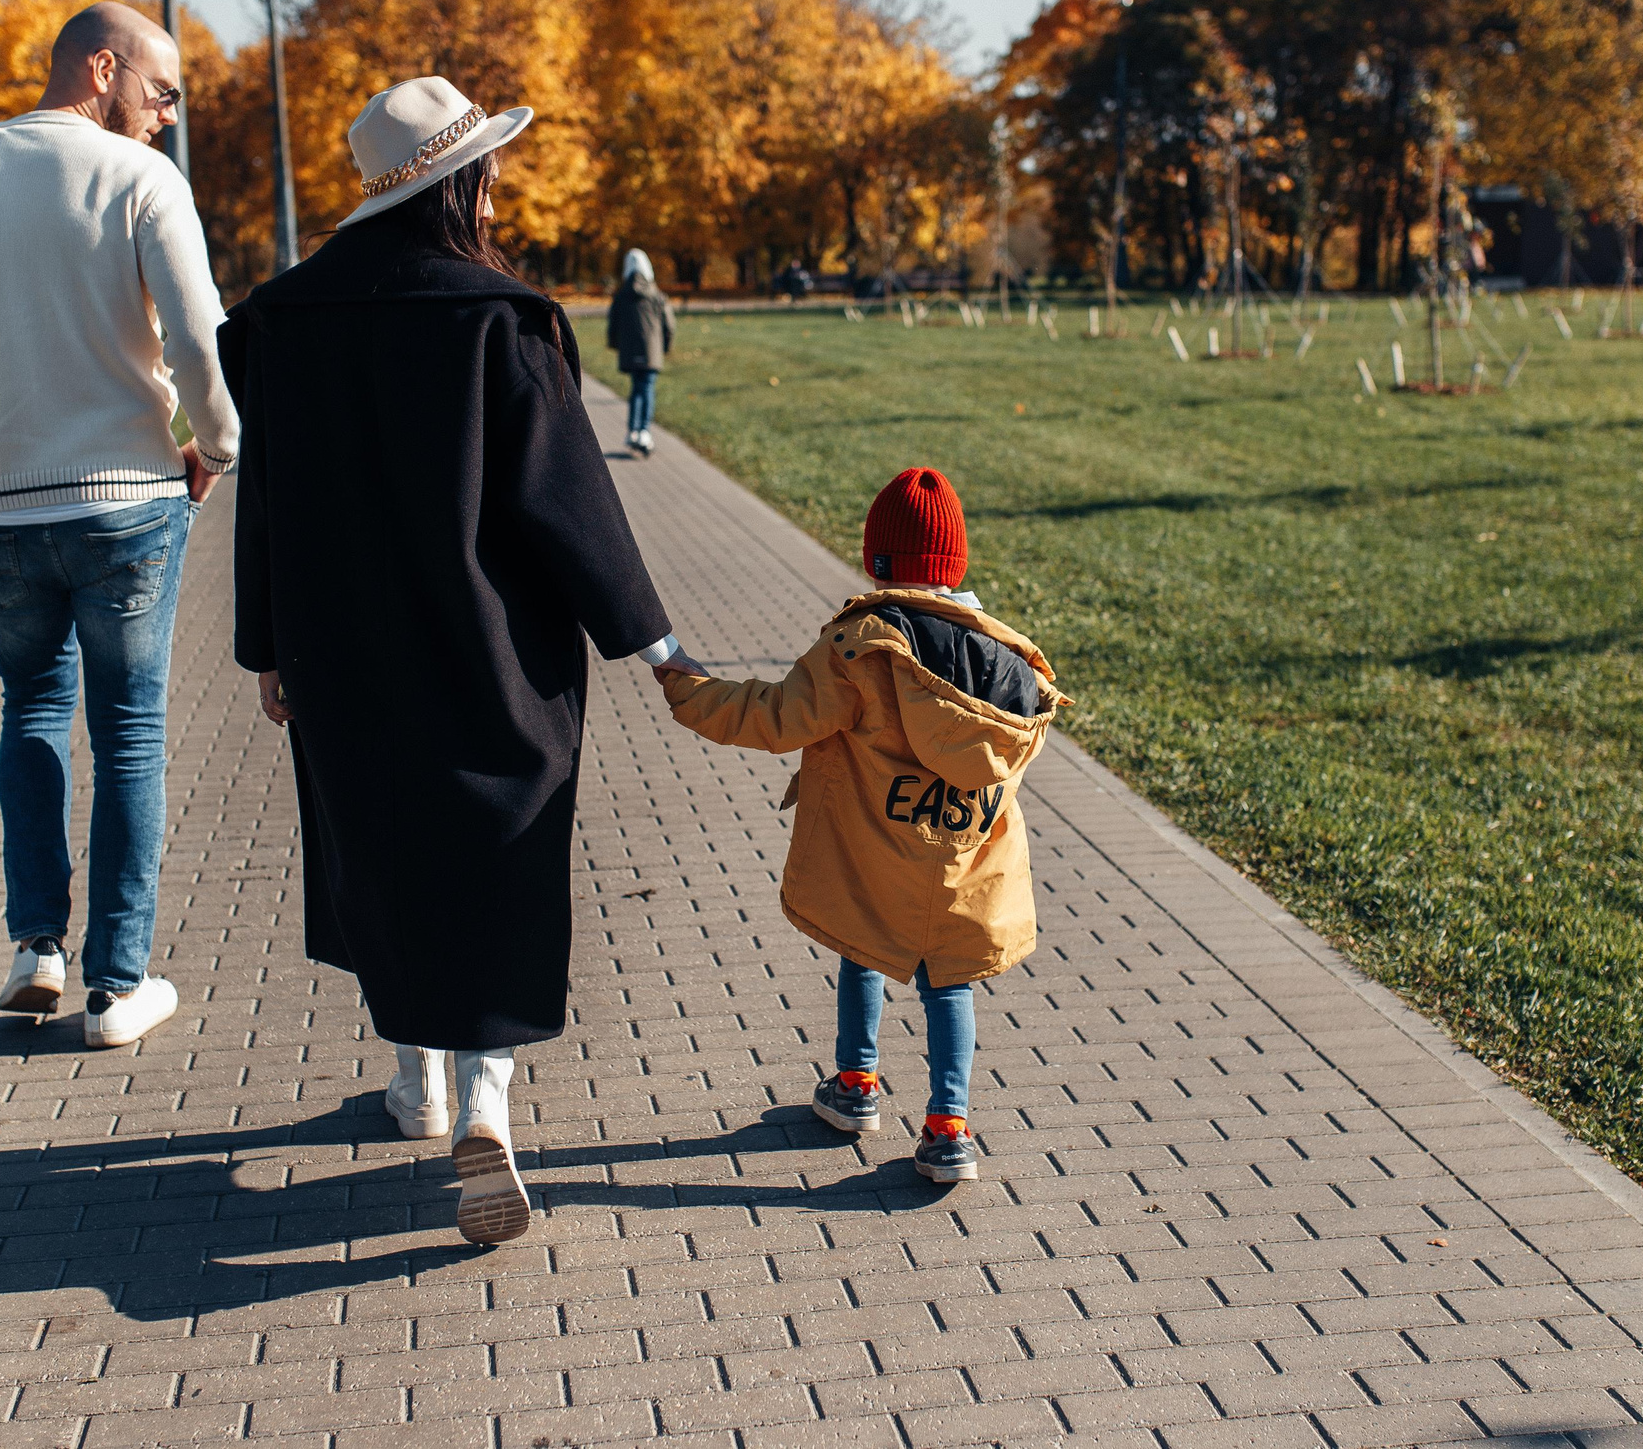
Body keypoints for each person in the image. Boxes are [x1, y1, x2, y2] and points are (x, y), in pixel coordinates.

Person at [222, 76, 693, 1244]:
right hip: (495, 646)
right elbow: (564, 501)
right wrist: (653, 642)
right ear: (461, 181)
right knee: (497, 855)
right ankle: (486, 1099)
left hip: (339, 645)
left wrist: (264, 647)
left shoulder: (284, 317)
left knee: (382, 849)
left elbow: (265, 500)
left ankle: (414, 1082)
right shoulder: (498, 316)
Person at [0, 1, 236, 1051]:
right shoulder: (138, 180)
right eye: (163, 91)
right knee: (128, 730)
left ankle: (36, 948)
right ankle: (118, 985)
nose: (169, 115)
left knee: (30, 705)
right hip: (126, 495)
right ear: (104, 69)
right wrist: (216, 447)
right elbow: (201, 341)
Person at [654, 468, 1065, 1182]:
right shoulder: (1011, 667)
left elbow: (773, 716)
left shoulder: (862, 650)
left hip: (876, 854)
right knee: (950, 985)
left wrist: (688, 687)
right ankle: (949, 1127)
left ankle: (856, 1086)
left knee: (862, 948)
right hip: (965, 865)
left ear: (877, 561)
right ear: (956, 565)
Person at [604, 248, 675, 455]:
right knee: (647, 388)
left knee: (636, 388)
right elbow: (669, 325)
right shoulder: (657, 295)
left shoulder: (621, 296)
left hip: (630, 350)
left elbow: (613, 324)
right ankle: (644, 430)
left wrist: (615, 344)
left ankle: (633, 431)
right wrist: (665, 347)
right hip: (652, 351)